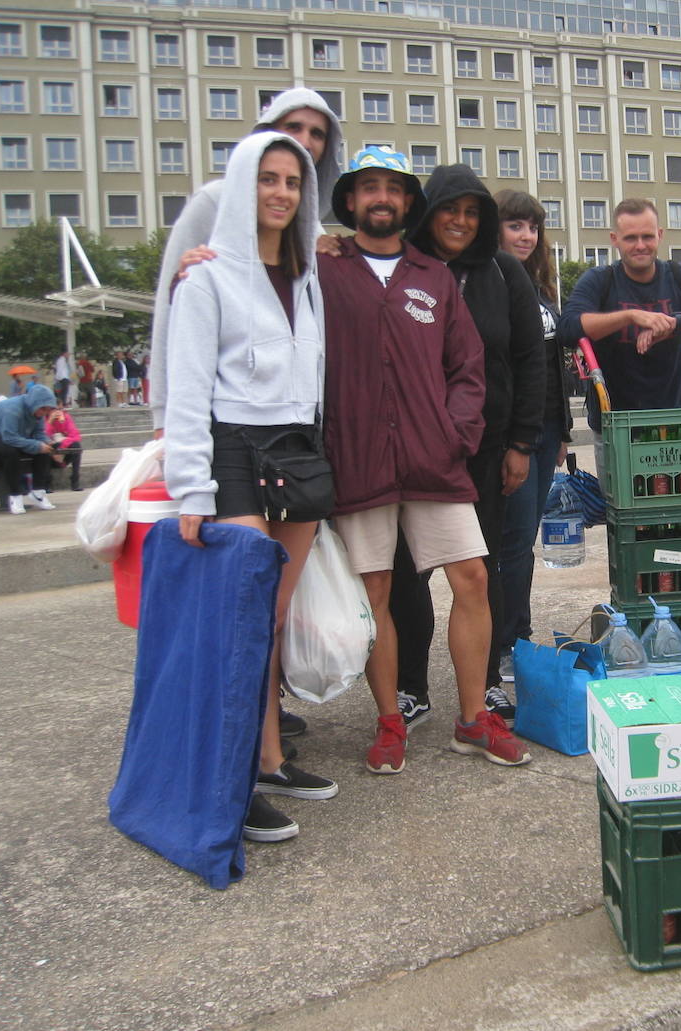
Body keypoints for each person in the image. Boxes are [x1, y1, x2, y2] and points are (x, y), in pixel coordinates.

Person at [317, 146, 532, 772]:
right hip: (358, 459)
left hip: (433, 461)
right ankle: (390, 721)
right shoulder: (326, 271)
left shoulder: (432, 277)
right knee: (375, 590)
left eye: (393, 188)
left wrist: (456, 433)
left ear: (408, 202)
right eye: (369, 187)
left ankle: (472, 718)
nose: (381, 197)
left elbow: (467, 366)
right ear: (352, 200)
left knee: (472, 579)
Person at [162, 132, 338, 844]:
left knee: (272, 620)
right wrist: (190, 490)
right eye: (267, 179)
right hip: (234, 449)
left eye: (293, 182)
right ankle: (230, 783)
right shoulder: (206, 277)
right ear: (243, 186)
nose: (281, 193)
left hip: (297, 447)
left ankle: (269, 757)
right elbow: (187, 388)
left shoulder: (306, 278)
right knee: (242, 622)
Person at [387, 166, 545, 728]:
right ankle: (411, 686)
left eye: (472, 211)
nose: (460, 220)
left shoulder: (503, 272)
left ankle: (480, 689)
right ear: (428, 211)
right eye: (449, 208)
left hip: (484, 447)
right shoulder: (403, 268)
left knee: (481, 570)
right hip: (407, 450)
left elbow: (530, 358)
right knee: (406, 573)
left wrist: (521, 442)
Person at [149, 87, 346, 436]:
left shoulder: (311, 225)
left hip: (295, 431)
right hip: (225, 423)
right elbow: (169, 315)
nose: (305, 140)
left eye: (317, 134)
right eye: (294, 127)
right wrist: (164, 419)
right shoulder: (213, 201)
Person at [557, 199, 681, 470]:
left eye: (647, 236)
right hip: (615, 426)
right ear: (615, 239)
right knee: (619, 510)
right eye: (631, 238)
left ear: (660, 235)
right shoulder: (600, 280)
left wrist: (674, 323)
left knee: (673, 508)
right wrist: (630, 316)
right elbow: (568, 328)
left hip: (673, 423)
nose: (640, 245)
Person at [488, 189, 572, 693]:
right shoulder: (491, 281)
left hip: (543, 435)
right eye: (515, 225)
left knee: (523, 544)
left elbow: (552, 369)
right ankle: (504, 644)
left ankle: (516, 635)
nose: (526, 235)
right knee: (513, 544)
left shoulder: (538, 287)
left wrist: (560, 431)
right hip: (511, 437)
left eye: (533, 227)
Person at [0, 383, 59, 514]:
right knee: (10, 450)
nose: (45, 413)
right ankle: (15, 495)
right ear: (34, 404)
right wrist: (36, 445)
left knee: (42, 450)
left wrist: (47, 443)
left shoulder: (38, 413)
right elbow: (9, 437)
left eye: (48, 410)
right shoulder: (12, 408)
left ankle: (38, 492)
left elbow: (39, 433)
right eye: (43, 409)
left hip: (12, 438)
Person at [45, 405, 84, 491]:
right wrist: (50, 422)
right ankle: (47, 483)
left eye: (60, 409)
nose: (58, 412)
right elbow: (43, 437)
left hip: (63, 455)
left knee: (76, 446)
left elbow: (75, 436)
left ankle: (75, 480)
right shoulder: (43, 418)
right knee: (47, 447)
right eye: (54, 409)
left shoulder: (66, 417)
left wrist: (61, 447)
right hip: (50, 455)